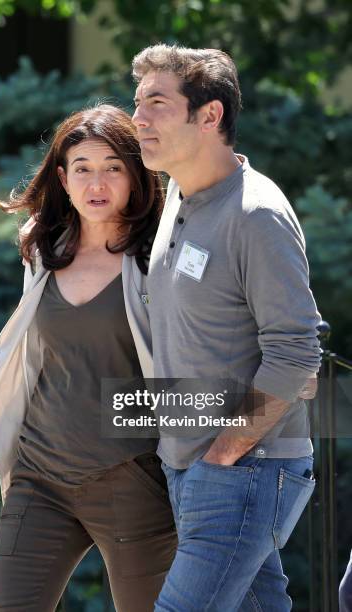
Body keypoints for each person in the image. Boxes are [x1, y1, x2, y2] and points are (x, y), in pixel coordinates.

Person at [0, 104, 177, 611]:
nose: (97, 183)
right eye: (83, 169)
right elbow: (21, 377)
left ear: (136, 175)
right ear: (63, 177)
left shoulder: (157, 259)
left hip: (131, 480)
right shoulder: (43, 250)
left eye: (113, 167)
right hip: (40, 480)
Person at [131, 45, 321, 611]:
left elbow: (296, 351)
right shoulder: (177, 197)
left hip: (246, 468)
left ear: (209, 115)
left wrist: (222, 456)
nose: (138, 118)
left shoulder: (255, 214)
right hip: (189, 465)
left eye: (157, 103)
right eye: (137, 102)